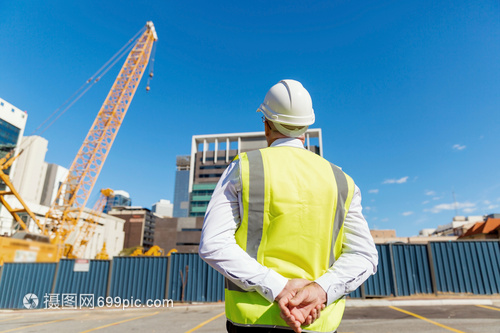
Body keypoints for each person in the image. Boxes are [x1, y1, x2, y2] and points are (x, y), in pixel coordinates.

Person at [199, 79, 378, 333]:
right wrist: (320, 291)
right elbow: (364, 256)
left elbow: (213, 244)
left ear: (266, 124)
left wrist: (279, 286)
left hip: (252, 323)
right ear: (306, 126)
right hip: (316, 322)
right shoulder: (342, 181)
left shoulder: (244, 168)